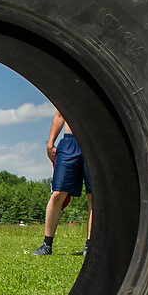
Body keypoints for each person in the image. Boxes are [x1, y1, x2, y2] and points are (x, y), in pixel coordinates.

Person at [32, 110, 93, 257]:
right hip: (70, 141)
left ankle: (90, 246)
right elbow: (60, 114)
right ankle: (47, 244)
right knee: (57, 193)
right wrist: (50, 142)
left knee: (93, 196)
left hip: (93, 141)